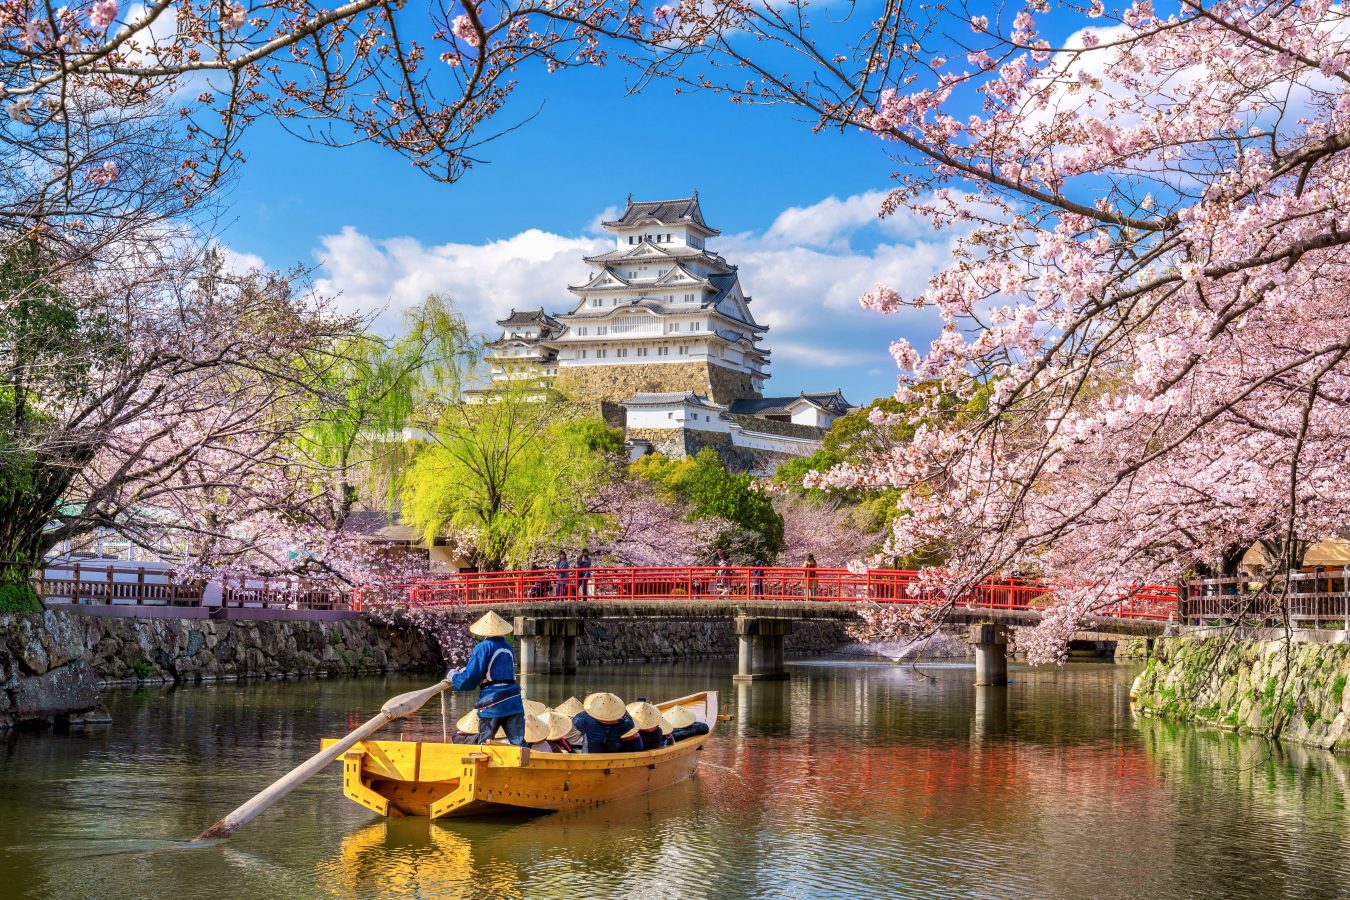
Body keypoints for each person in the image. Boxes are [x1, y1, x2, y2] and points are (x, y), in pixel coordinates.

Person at [448, 611, 526, 746]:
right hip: (513, 700)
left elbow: (471, 677)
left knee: (485, 743)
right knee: (519, 744)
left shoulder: (483, 647)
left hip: (493, 701)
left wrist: (454, 677)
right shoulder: (507, 646)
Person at [571, 692, 636, 753]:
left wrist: (589, 711)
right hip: (611, 754)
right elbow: (631, 723)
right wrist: (622, 711)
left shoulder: (587, 720)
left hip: (590, 754)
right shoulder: (621, 723)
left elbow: (576, 721)